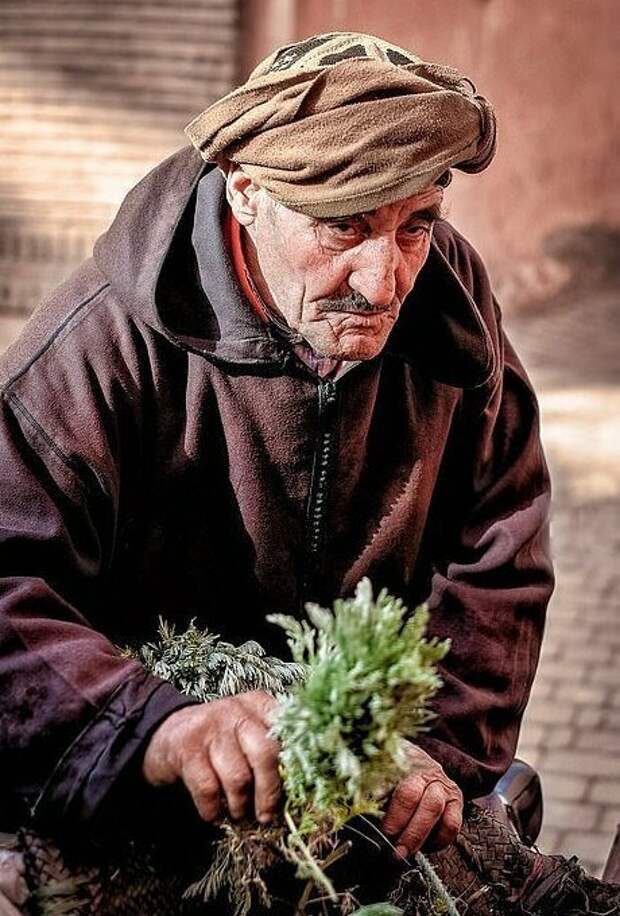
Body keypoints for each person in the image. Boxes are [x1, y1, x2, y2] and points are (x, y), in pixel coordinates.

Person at [0, 30, 553, 888]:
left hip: (363, 786)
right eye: (344, 227)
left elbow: (500, 552)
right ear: (247, 194)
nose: (385, 283)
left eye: (415, 227)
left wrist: (438, 751)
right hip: (148, 790)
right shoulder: (98, 346)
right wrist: (159, 730)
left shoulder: (449, 301)